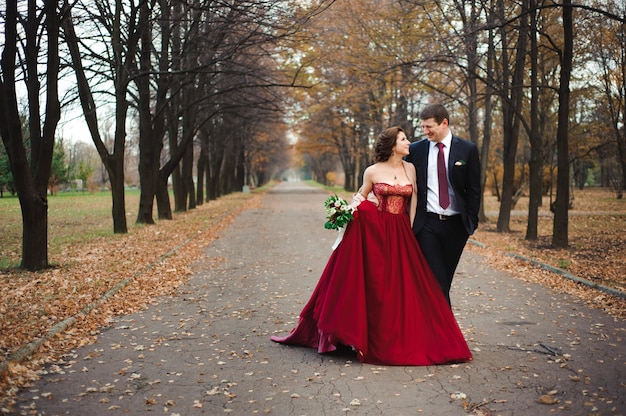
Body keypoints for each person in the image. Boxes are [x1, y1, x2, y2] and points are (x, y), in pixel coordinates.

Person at [270, 126, 472, 366]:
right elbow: (361, 196)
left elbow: (414, 198)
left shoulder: (411, 168)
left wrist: (412, 230)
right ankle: (365, 336)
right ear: (391, 145)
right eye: (404, 139)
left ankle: (404, 335)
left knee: (403, 286)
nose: (409, 142)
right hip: (376, 231)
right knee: (377, 284)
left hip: (401, 232)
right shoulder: (372, 171)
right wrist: (351, 210)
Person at [405, 104, 481, 306]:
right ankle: (446, 332)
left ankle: (434, 327)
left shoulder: (467, 149)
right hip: (427, 224)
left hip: (457, 225)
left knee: (445, 280)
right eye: (423, 127)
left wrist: (471, 223)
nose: (425, 131)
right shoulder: (416, 150)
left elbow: (474, 189)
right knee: (435, 281)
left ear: (444, 123)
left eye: (429, 126)